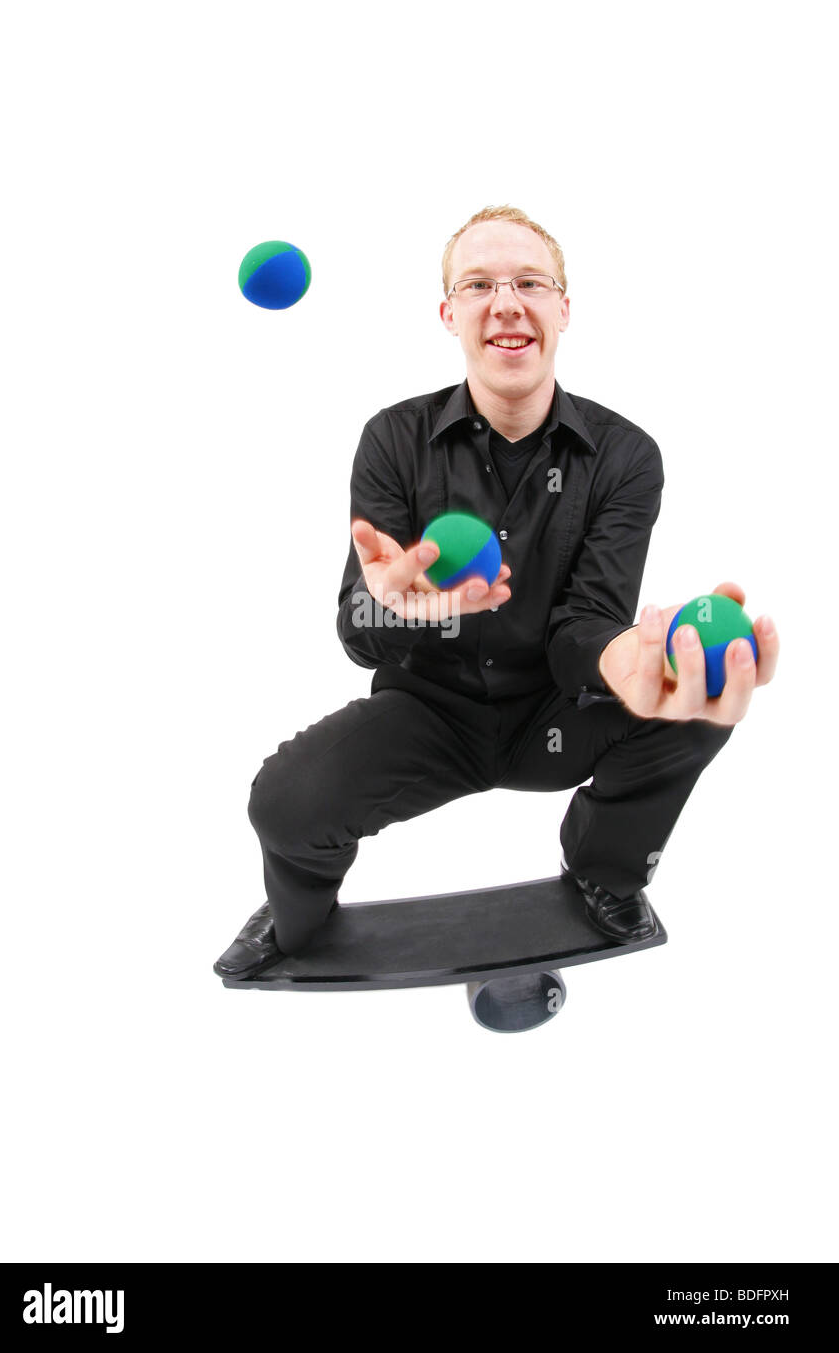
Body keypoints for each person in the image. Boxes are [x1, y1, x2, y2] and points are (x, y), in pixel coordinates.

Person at [214, 205, 779, 980]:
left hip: (556, 706)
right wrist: (400, 609)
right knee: (283, 804)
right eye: (477, 284)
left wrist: (630, 664)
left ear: (563, 309)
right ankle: (293, 917)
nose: (504, 301)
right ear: (450, 314)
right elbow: (357, 631)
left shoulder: (624, 455)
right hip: (427, 711)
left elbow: (585, 623)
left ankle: (605, 876)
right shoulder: (393, 438)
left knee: (697, 696)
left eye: (529, 282)